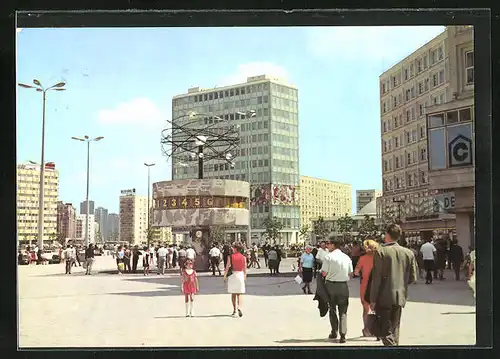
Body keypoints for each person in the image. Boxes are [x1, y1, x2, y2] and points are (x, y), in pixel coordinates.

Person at [369, 224, 417, 347]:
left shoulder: (381, 252)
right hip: (400, 296)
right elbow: (412, 278)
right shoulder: (408, 253)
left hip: (383, 297)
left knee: (386, 331)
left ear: (387, 235)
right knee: (395, 328)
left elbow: (376, 278)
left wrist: (373, 299)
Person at [321, 238, 353, 344]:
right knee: (343, 311)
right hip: (343, 286)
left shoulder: (328, 257)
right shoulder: (346, 257)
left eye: (328, 243)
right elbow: (350, 274)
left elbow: (324, 273)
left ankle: (334, 331)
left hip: (330, 285)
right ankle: (343, 334)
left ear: (334, 245)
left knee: (332, 309)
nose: (327, 245)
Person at [354, 238, 379, 337]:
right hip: (377, 285)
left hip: (365, 285)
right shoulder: (379, 258)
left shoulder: (362, 258)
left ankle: (366, 330)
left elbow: (356, 271)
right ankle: (377, 330)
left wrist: (360, 272)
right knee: (377, 309)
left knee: (365, 309)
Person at [224, 242, 247, 318]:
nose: (232, 249)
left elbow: (227, 267)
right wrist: (244, 277)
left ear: (236, 248)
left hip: (233, 275)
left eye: (233, 248)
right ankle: (239, 307)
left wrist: (224, 276)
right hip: (240, 274)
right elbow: (244, 269)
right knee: (239, 293)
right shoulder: (243, 257)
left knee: (233, 294)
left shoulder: (230, 257)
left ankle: (234, 310)